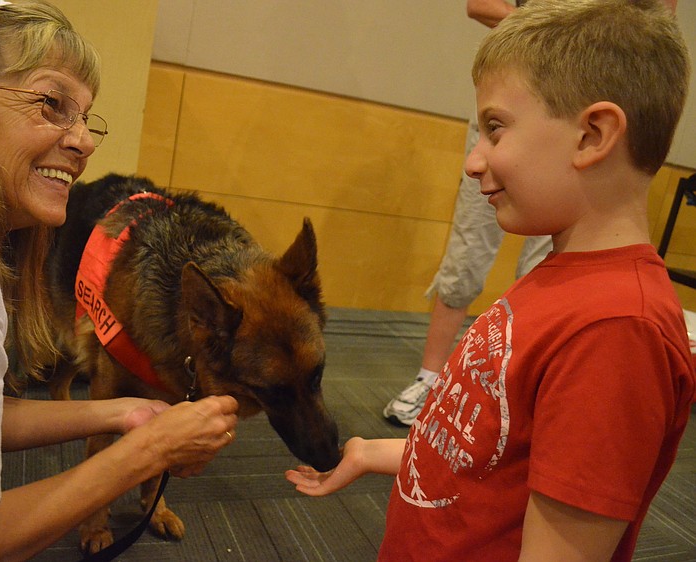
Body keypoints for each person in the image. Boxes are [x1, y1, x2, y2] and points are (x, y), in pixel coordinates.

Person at [288, 1, 695, 560]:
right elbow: (486, 452)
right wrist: (370, 452)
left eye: (496, 130)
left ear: (592, 135)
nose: (475, 161)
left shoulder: (617, 331)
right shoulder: (564, 280)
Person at [0, 1, 238, 561]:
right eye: (51, 104)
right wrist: (147, 451)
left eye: (84, 117)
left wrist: (123, 413)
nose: (83, 141)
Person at [383, 0, 552, 427]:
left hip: (568, 117)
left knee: (549, 264)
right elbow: (479, 4)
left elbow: (655, 20)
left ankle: (516, 394)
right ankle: (430, 377)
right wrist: (562, 33)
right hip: (508, 100)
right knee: (468, 250)